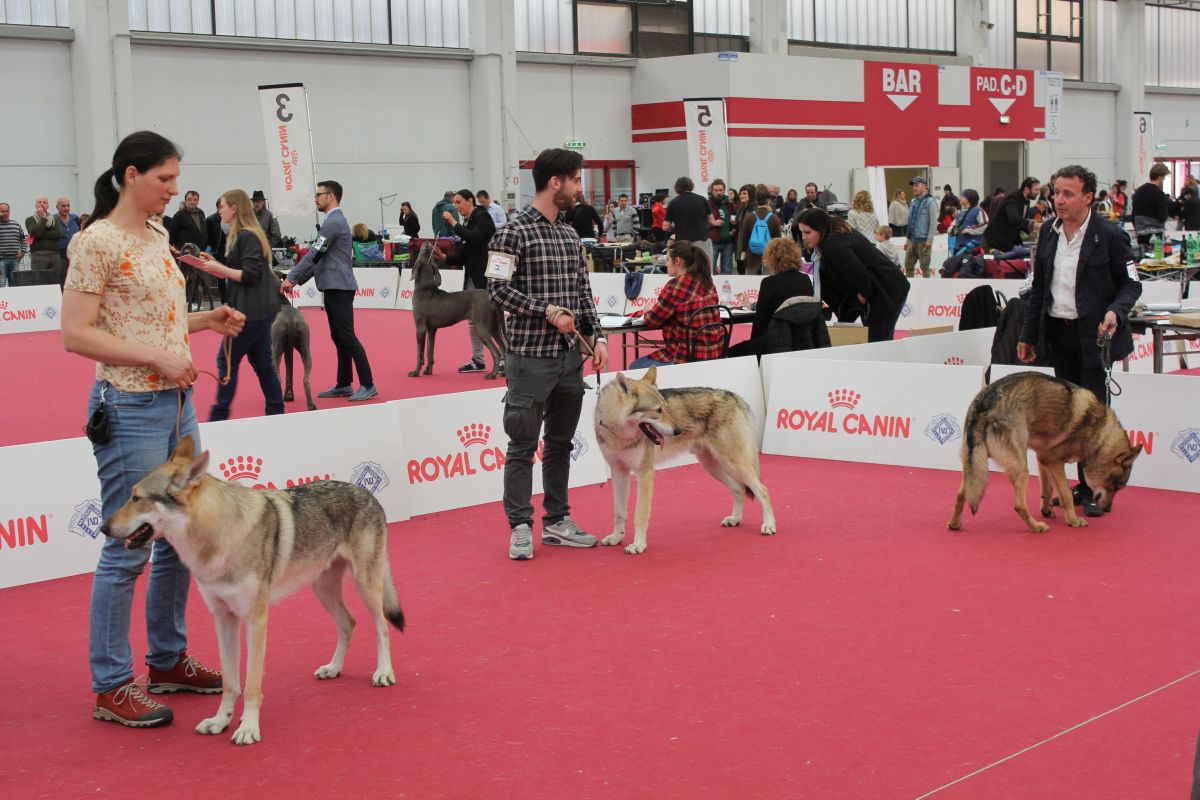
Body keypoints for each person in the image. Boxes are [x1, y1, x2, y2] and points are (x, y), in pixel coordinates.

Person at [61, 130, 245, 728]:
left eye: (174, 179)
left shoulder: (160, 235)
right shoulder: (96, 242)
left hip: (175, 405)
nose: (174, 190)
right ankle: (111, 683)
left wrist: (203, 321)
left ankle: (167, 659)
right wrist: (156, 358)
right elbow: (77, 334)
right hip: (129, 405)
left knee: (178, 541)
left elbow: (157, 324)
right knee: (127, 546)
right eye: (164, 179)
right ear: (130, 175)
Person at [487, 147, 608, 561]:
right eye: (576, 179)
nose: (580, 188)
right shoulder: (512, 232)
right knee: (522, 445)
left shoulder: (571, 235)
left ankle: (557, 521)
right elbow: (497, 289)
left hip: (569, 359)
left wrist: (600, 337)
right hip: (529, 359)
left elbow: (582, 293)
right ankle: (520, 526)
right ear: (555, 182)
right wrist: (547, 311)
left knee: (559, 444)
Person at [1017, 164, 1142, 517]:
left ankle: (1091, 487)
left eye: (1067, 194)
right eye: (1055, 192)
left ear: (1088, 197)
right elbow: (1039, 289)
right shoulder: (1049, 234)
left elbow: (1131, 284)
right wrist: (1028, 335)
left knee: (1093, 419)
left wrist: (1115, 312)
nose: (1058, 200)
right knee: (1065, 419)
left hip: (1097, 338)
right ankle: (1073, 484)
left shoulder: (1110, 234)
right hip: (1059, 333)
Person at [281, 180, 377, 402]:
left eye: (319, 194)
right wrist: (294, 280)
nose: (316, 198)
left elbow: (315, 254)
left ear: (331, 196)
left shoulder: (333, 223)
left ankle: (368, 384)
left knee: (347, 336)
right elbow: (319, 258)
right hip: (334, 286)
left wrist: (292, 278)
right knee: (339, 336)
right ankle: (344, 384)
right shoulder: (333, 222)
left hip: (339, 287)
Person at [194, 189, 285, 421]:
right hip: (258, 310)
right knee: (263, 363)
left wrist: (219, 269)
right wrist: (217, 263)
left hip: (250, 312)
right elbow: (245, 268)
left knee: (227, 361)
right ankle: (276, 413)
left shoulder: (247, 236)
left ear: (234, 208)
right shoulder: (246, 235)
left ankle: (219, 417)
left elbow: (250, 274)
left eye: (222, 206)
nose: (219, 210)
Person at [796, 207, 910, 342]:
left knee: (877, 341)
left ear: (820, 229)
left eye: (807, 232)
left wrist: (864, 292)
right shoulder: (834, 235)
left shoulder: (833, 243)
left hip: (887, 289)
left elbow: (856, 271)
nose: (804, 237)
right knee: (878, 339)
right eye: (802, 232)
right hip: (888, 286)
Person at [630, 239, 721, 369]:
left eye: (667, 259)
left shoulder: (675, 286)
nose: (665, 264)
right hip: (713, 354)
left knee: (634, 366)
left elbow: (652, 321)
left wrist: (647, 310)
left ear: (677, 261)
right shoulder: (707, 281)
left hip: (684, 358)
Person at [728, 237, 820, 358]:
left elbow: (760, 323)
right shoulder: (805, 280)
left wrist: (754, 347)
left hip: (775, 341)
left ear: (771, 259)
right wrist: (750, 305)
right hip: (803, 340)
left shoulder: (769, 283)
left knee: (730, 352)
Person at [442, 188, 498, 374]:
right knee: (473, 321)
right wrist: (444, 257)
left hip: (485, 278)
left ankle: (505, 358)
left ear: (470, 201)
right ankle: (478, 359)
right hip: (472, 277)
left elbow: (475, 238)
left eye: (459, 202)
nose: (456, 206)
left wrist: (454, 224)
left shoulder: (483, 218)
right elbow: (465, 256)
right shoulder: (470, 221)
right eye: (455, 203)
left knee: (494, 320)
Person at [664, 176, 716, 263]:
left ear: (677, 188)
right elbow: (711, 221)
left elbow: (665, 226)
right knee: (704, 268)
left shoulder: (673, 203)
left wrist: (676, 230)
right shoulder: (702, 200)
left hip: (683, 243)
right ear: (691, 186)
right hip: (702, 240)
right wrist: (702, 227)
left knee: (686, 269)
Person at [983, 177, 1041, 253]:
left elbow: (1020, 221)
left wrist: (1029, 229)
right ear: (1027, 189)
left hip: (1008, 241)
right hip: (995, 241)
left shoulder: (1026, 201)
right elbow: (1014, 218)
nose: (1038, 192)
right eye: (1036, 190)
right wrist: (1033, 224)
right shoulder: (1013, 198)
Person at [740, 188, 783, 276]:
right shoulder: (774, 218)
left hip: (752, 253)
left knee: (749, 280)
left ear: (756, 201)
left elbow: (744, 237)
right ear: (768, 201)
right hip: (769, 254)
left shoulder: (749, 217)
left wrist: (744, 251)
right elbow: (778, 239)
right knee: (770, 279)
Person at [903, 176, 937, 278]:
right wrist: (908, 240)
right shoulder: (913, 202)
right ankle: (910, 287)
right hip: (912, 239)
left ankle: (926, 288)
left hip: (923, 240)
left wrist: (930, 239)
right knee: (908, 265)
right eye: (913, 185)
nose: (914, 188)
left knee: (925, 267)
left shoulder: (930, 201)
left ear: (925, 187)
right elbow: (910, 222)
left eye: (917, 185)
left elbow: (933, 222)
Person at [1132, 163, 1170, 249]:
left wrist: (1139, 229)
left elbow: (1133, 215)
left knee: (1142, 259)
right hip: (1156, 237)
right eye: (1164, 178)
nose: (1163, 181)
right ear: (1160, 178)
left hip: (1141, 235)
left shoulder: (1138, 192)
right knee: (1156, 261)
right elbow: (1163, 216)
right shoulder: (1159, 193)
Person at [26, 196, 62, 280]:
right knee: (39, 280)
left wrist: (42, 234)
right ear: (36, 205)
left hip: (54, 255)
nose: (42, 204)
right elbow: (36, 233)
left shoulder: (54, 219)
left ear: (48, 206)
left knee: (56, 281)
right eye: (39, 202)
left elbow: (58, 234)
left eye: (45, 202)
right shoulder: (30, 220)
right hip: (38, 256)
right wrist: (43, 219)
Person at [708, 179, 736, 275]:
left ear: (724, 190)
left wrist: (734, 228)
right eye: (716, 190)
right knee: (710, 270)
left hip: (728, 242)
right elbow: (701, 222)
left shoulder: (730, 204)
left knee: (727, 271)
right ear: (712, 191)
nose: (718, 192)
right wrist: (713, 223)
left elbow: (736, 219)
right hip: (713, 242)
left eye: (720, 190)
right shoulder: (707, 204)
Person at [948, 189, 987, 255]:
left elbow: (985, 225)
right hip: (958, 248)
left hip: (972, 250)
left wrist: (969, 230)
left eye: (963, 196)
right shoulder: (960, 214)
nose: (960, 197)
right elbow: (952, 230)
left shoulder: (978, 210)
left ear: (969, 199)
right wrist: (953, 231)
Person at [0, 202, 28, 287]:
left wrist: (22, 252)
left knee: (15, 284)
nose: (5, 213)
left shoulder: (16, 225)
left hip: (15, 260)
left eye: (7, 211)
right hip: (1, 261)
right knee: (1, 283)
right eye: (2, 211)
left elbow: (24, 239)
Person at [55, 197, 82, 284]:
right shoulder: (53, 220)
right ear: (57, 207)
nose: (66, 208)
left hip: (76, 256)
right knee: (63, 281)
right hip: (61, 256)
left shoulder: (75, 218)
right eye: (63, 206)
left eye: (68, 206)